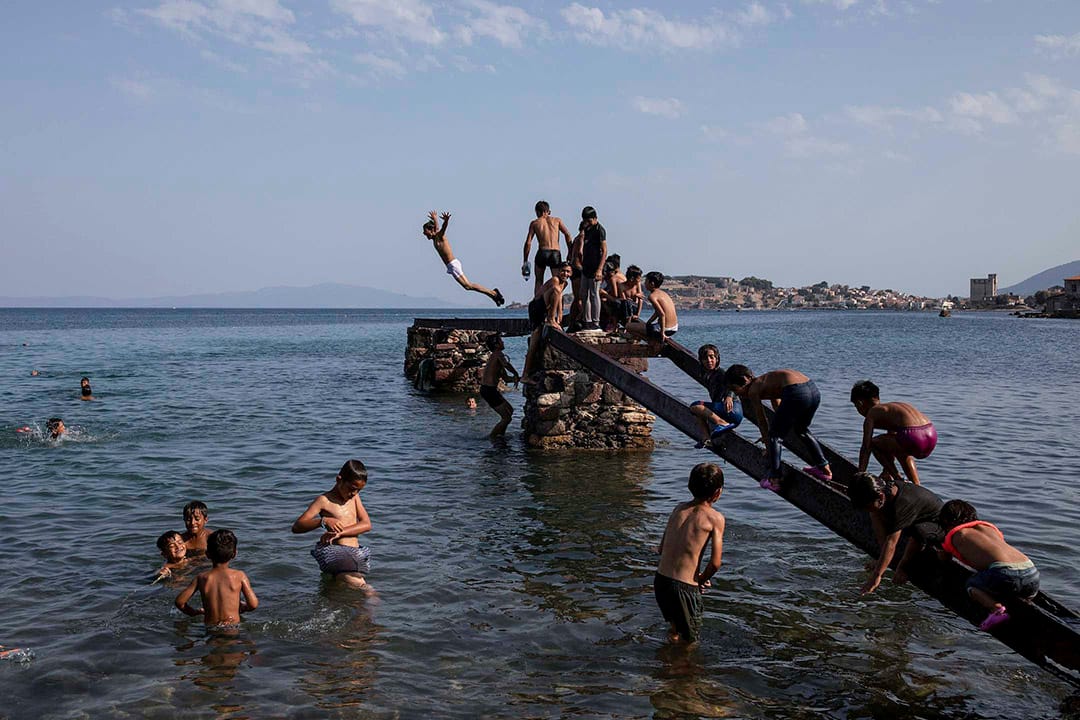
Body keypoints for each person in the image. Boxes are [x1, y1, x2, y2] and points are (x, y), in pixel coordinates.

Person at [937, 499, 1039, 631]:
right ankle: (1026, 603)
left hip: (1004, 575)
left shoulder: (956, 534)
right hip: (1032, 573)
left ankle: (995, 609)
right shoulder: (989, 528)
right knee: (1016, 588)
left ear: (946, 521)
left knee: (972, 584)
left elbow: (944, 557)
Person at [724, 365, 831, 491]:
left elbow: (762, 420)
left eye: (735, 389)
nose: (737, 394)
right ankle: (824, 469)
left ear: (745, 381)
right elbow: (778, 407)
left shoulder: (753, 390)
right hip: (813, 391)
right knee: (801, 430)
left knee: (775, 436)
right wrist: (778, 428)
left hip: (796, 392)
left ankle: (775, 479)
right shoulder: (767, 381)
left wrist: (768, 443)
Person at [654, 463, 726, 644]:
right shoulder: (715, 518)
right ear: (717, 492)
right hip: (684, 588)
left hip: (661, 581)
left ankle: (666, 658)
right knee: (690, 641)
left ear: (690, 485)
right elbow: (715, 563)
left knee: (675, 630)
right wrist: (700, 579)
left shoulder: (678, 508)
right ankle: (680, 662)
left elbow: (661, 549)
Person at [847, 472, 943, 595]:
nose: (865, 510)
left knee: (918, 532)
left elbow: (891, 543)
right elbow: (878, 523)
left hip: (935, 525)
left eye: (867, 506)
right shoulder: (886, 491)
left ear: (881, 497)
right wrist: (881, 557)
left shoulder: (902, 504)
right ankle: (886, 558)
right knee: (875, 513)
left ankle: (906, 566)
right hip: (913, 519)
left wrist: (877, 576)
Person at [291, 459, 373, 590]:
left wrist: (340, 533)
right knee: (364, 588)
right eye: (352, 489)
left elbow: (366, 524)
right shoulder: (324, 501)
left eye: (359, 490)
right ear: (339, 480)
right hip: (337, 553)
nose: (354, 493)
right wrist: (322, 521)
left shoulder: (354, 498)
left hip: (355, 552)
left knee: (335, 590)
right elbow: (297, 526)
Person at [850, 380, 936, 485]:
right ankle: (917, 485)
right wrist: (886, 471)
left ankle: (897, 478)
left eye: (856, 406)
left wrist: (860, 475)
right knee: (901, 450)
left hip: (912, 436)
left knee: (873, 444)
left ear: (860, 403)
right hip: (930, 434)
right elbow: (892, 445)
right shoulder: (890, 409)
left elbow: (866, 447)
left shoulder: (872, 413)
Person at [175, 529, 258, 625]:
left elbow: (179, 602)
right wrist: (243, 608)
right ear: (234, 554)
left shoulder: (201, 578)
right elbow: (253, 604)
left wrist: (194, 613)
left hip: (210, 627)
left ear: (207, 554)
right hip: (232, 627)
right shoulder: (239, 576)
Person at [422, 210, 504, 307]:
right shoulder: (435, 238)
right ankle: (493, 295)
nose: (424, 233)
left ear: (431, 230)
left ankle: (494, 293)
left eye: (425, 231)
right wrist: (435, 218)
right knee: (468, 286)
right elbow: (437, 227)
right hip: (451, 266)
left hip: (453, 265)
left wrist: (446, 221)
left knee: (468, 286)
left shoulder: (439, 237)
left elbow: (442, 228)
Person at [523, 262, 572, 381]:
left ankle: (526, 374)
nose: (565, 273)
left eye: (568, 271)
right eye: (563, 270)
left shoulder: (564, 283)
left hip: (544, 308)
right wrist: (552, 318)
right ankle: (525, 375)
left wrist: (560, 314)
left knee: (536, 342)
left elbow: (559, 297)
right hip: (536, 307)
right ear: (558, 271)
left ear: (571, 273)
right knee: (534, 342)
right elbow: (556, 292)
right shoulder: (555, 280)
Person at [689, 345, 742, 448]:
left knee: (695, 406)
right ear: (701, 360)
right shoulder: (707, 374)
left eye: (711, 357)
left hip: (732, 410)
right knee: (698, 412)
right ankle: (706, 438)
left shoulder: (721, 373)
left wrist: (729, 396)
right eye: (705, 358)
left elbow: (735, 384)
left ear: (717, 358)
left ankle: (721, 423)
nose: (709, 361)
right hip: (723, 411)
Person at [523, 200, 573, 298]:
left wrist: (525, 260)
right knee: (557, 280)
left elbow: (528, 242)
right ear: (548, 211)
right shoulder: (557, 221)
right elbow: (567, 234)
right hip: (555, 253)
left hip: (542, 252)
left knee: (538, 280)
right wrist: (570, 251)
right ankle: (557, 303)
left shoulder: (535, 223)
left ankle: (537, 301)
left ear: (537, 212)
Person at [479, 333, 520, 438]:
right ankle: (492, 437)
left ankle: (500, 435)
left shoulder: (496, 361)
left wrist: (517, 379)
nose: (503, 342)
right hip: (488, 390)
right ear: (496, 345)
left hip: (489, 390)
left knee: (510, 411)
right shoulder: (497, 354)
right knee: (507, 418)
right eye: (501, 341)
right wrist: (516, 373)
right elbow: (507, 365)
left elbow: (506, 378)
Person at [626, 272, 678, 345]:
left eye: (646, 281)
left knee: (628, 326)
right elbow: (657, 312)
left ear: (652, 284)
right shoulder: (663, 293)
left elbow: (662, 314)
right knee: (645, 326)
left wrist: (662, 333)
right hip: (674, 328)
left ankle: (649, 342)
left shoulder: (652, 296)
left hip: (665, 329)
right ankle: (650, 340)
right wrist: (649, 322)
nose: (644, 283)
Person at [578, 206, 607, 332]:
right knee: (584, 294)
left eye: (589, 221)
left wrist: (600, 269)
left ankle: (596, 322)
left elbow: (604, 251)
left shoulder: (600, 230)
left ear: (595, 218)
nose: (587, 223)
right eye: (585, 221)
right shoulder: (586, 229)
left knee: (594, 294)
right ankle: (587, 321)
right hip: (586, 266)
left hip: (596, 267)